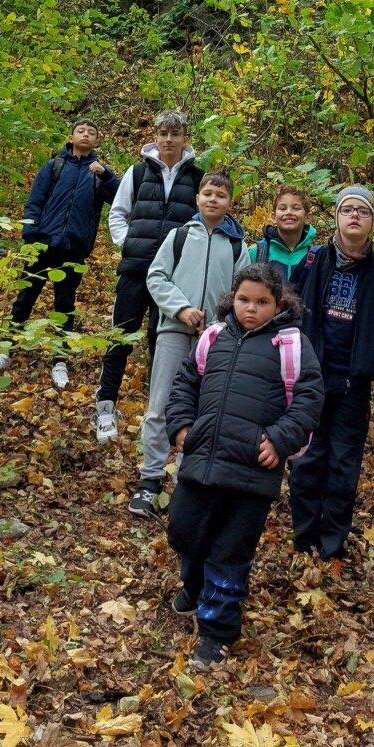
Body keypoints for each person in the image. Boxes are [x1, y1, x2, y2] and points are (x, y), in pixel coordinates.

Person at [165, 264, 324, 668]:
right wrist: (182, 425)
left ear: (278, 303)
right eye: (243, 300)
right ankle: (194, 587)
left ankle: (217, 631)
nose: (251, 309)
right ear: (231, 299)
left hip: (251, 470)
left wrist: (280, 439)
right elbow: (186, 382)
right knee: (185, 530)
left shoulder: (290, 344)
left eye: (261, 302)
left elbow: (309, 398)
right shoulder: (213, 338)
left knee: (230, 550)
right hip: (201, 460)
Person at [289, 184, 374, 560]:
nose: (355, 216)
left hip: (354, 383)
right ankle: (304, 538)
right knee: (307, 457)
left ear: (372, 222)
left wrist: (373, 359)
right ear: (336, 216)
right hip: (313, 378)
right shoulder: (313, 260)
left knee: (343, 462)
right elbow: (292, 308)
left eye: (363, 211)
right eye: (348, 209)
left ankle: (332, 542)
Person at [131, 171, 244, 518]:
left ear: (229, 202)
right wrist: (181, 308)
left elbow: (243, 294)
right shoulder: (179, 237)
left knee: (199, 408)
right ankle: (150, 481)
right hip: (172, 332)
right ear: (197, 198)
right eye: (207, 193)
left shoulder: (237, 246)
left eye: (220, 195)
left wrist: (220, 325)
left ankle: (185, 478)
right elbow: (156, 275)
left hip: (214, 342)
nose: (213, 199)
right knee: (160, 404)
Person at [0, 119, 119, 388]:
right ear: (71, 136)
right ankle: (4, 350)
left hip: (74, 247)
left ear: (96, 141)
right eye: (81, 131)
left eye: (91, 133)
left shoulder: (99, 173)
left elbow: (118, 199)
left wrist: (106, 176)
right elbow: (35, 201)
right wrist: (30, 237)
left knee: (65, 305)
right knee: (25, 298)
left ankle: (60, 361)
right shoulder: (54, 166)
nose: (86, 135)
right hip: (42, 243)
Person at [94, 110, 203, 444]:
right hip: (136, 272)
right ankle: (105, 407)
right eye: (163, 133)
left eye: (175, 133)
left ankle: (158, 416)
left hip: (172, 279)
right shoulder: (138, 173)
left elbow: (202, 225)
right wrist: (128, 243)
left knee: (163, 344)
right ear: (155, 136)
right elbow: (118, 213)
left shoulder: (198, 179)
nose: (168, 139)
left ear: (185, 136)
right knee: (120, 338)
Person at [236, 184, 317, 283]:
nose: (289, 212)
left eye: (296, 208)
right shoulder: (257, 252)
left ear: (307, 217)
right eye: (282, 208)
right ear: (273, 217)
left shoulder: (316, 256)